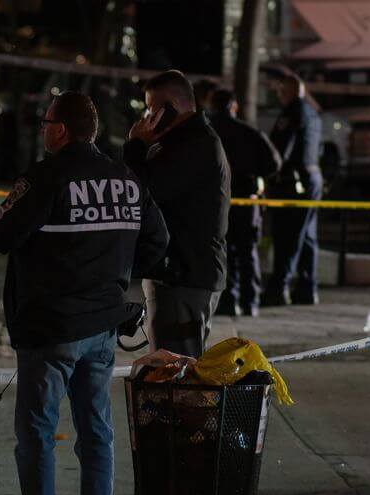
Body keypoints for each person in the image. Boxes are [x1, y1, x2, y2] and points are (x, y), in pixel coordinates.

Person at [0, 93, 170, 495]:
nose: (43, 131)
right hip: (103, 326)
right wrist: (116, 269)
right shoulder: (127, 181)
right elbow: (158, 244)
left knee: (38, 433)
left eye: (46, 123)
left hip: (51, 326)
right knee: (97, 432)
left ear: (60, 130)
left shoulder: (46, 177)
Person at [121, 68, 230, 356]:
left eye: (151, 109)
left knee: (176, 374)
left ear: (173, 108)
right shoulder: (182, 142)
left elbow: (139, 193)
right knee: (168, 372)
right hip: (179, 273)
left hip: (185, 276)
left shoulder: (195, 145)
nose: (147, 118)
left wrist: (135, 145)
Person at [204, 87, 282, 318]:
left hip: (217, 203)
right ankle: (251, 302)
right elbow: (274, 163)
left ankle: (229, 301)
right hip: (247, 200)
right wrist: (254, 177)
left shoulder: (207, 133)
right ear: (234, 106)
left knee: (222, 251)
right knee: (248, 252)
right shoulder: (249, 132)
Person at [264, 67, 324, 306]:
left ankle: (279, 288)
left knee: (288, 235)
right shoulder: (314, 114)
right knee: (308, 236)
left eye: (280, 91)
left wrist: (269, 173)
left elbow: (281, 150)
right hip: (313, 177)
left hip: (293, 181)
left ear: (286, 92)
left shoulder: (291, 112)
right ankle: (308, 289)